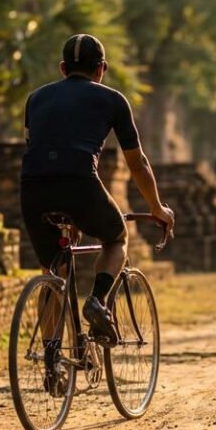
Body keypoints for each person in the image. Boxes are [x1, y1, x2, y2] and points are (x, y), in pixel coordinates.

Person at [20, 34, 175, 364]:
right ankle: (98, 301)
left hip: (32, 188)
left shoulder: (35, 99)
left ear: (63, 69)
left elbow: (36, 147)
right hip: (79, 183)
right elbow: (137, 163)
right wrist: (156, 207)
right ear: (101, 69)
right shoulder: (113, 100)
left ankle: (51, 359)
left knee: (53, 269)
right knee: (116, 237)